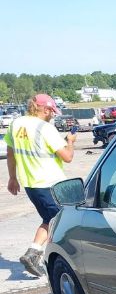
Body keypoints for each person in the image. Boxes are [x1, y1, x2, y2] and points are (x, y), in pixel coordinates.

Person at [4, 94, 76, 277]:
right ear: (45, 109)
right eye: (52, 111)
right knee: (61, 222)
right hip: (50, 183)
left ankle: (33, 253)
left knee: (50, 219)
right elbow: (67, 157)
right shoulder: (45, 129)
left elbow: (10, 153)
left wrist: (12, 178)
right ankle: (55, 259)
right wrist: (70, 142)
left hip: (31, 184)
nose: (53, 115)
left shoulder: (15, 124)